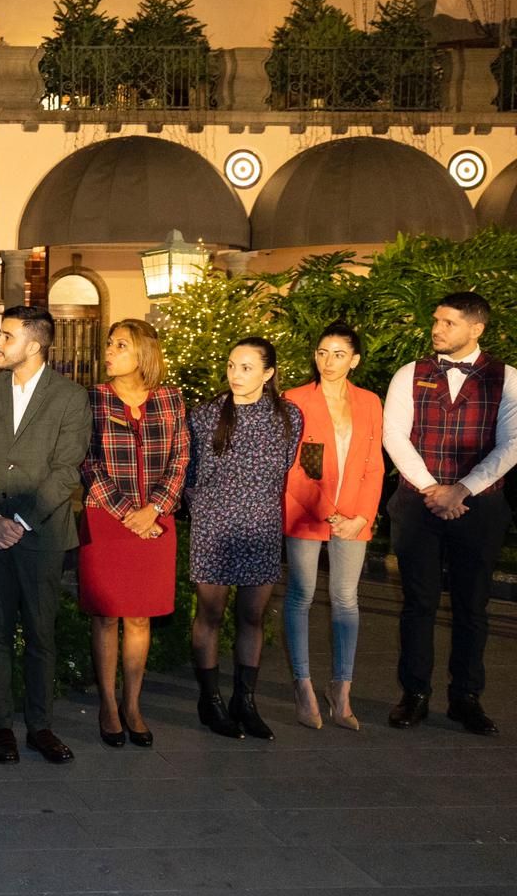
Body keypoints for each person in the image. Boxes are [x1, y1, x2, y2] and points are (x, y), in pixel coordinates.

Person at [382, 292, 517, 735]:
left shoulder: (507, 379)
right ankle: (414, 694)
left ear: (476, 328)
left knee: (472, 606)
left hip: (479, 506)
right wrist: (431, 489)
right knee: (417, 603)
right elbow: (395, 437)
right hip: (418, 503)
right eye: (435, 320)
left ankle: (466, 698)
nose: (436, 329)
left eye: (448, 322)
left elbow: (512, 444)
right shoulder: (411, 373)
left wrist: (461, 489)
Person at [0, 306, 91, 766]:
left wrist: (19, 522)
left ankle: (40, 726)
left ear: (34, 345)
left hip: (41, 537)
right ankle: (2, 727)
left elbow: (66, 472)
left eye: (6, 336)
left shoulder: (70, 397)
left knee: (42, 635)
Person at [78, 319, 189, 749]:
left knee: (140, 615)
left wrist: (155, 508)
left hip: (156, 520)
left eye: (120, 345)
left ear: (143, 353)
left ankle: (133, 704)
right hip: (107, 517)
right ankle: (107, 705)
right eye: (109, 344)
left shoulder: (171, 400)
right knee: (106, 615)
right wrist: (129, 513)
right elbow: (87, 463)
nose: (109, 351)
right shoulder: (93, 400)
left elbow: (181, 460)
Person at [187, 337, 302, 741]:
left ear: (269, 373)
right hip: (214, 526)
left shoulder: (289, 417)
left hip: (261, 526)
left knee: (252, 616)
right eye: (232, 365)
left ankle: (245, 700)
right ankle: (210, 700)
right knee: (211, 614)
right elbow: (190, 472)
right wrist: (205, 508)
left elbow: (284, 468)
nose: (236, 374)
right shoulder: (204, 415)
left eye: (247, 367)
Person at [282, 322, 385, 732]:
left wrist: (361, 516)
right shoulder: (296, 400)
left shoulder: (369, 402)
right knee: (301, 595)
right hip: (307, 512)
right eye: (322, 352)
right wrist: (330, 513)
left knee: (346, 598)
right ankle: (303, 685)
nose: (328, 361)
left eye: (339, 354)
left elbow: (373, 464)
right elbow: (297, 468)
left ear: (355, 360)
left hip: (355, 516)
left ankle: (341, 690)